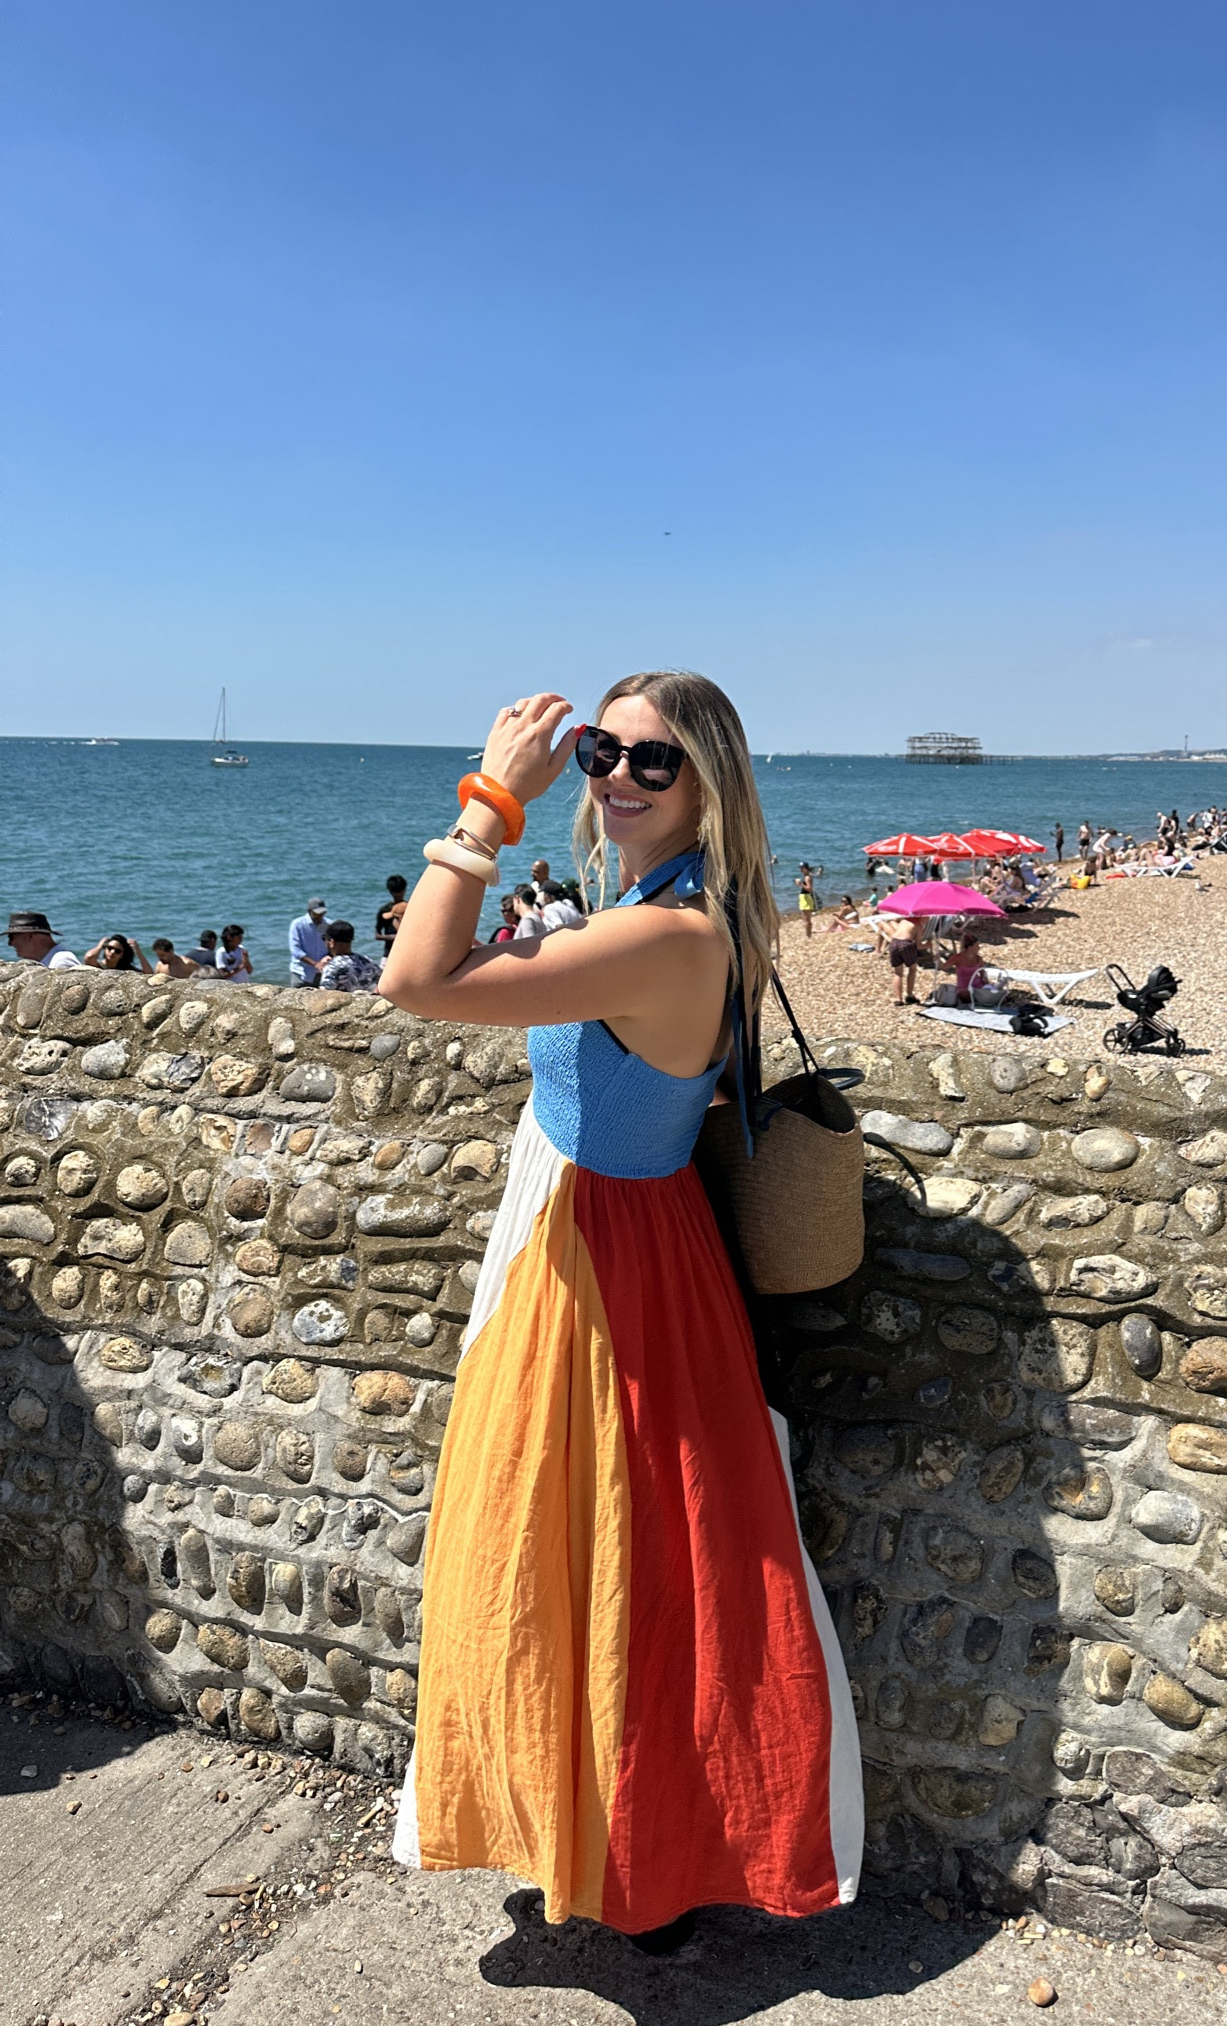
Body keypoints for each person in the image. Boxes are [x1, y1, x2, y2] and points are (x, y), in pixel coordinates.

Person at [378, 673, 861, 1947]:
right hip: (616, 1240)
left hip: (607, 1263)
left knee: (608, 1564)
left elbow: (416, 977)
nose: (619, 776)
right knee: (604, 1561)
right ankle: (601, 1839)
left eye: (656, 761)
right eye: (603, 750)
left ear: (709, 785)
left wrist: (490, 799)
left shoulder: (670, 933)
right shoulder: (660, 911)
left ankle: (638, 1860)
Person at [317, 921, 381, 992]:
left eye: (324, 939)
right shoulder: (367, 961)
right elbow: (383, 979)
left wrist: (325, 970)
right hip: (367, 1001)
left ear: (331, 942)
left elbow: (323, 994)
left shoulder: (332, 966)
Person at [6, 911, 81, 970]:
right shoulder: (52, 960)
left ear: (30, 936)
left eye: (11, 937)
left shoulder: (62, 962)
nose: (10, 943)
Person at [885, 908, 924, 1005]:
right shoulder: (918, 925)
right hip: (906, 944)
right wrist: (930, 944)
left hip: (894, 943)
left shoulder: (904, 920)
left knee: (898, 973)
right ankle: (909, 995)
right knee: (912, 968)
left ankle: (899, 999)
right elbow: (919, 945)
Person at [289, 897, 328, 985]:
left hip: (322, 973)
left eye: (323, 913)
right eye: (317, 913)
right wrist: (315, 964)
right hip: (301, 972)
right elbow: (295, 950)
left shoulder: (328, 924)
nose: (320, 916)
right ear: (310, 911)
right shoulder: (297, 924)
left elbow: (333, 946)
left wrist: (325, 961)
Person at [943, 930, 987, 1006]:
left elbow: (983, 973)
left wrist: (986, 982)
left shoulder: (978, 958)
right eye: (977, 946)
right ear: (970, 947)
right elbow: (944, 967)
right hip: (964, 987)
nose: (979, 948)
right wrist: (937, 959)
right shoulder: (957, 958)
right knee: (967, 996)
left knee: (991, 993)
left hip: (978, 985)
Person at [375, 876, 409, 956]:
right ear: (390, 891)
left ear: (404, 890)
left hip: (408, 951)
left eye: (401, 891)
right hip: (389, 952)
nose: (399, 894)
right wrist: (395, 937)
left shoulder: (410, 907)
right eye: (395, 891)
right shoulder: (384, 910)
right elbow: (377, 935)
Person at [85, 935, 152, 972]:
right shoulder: (99, 966)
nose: (112, 952)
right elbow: (89, 957)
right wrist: (100, 946)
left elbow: (149, 973)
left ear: (122, 955)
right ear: (105, 949)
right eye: (110, 948)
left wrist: (138, 952)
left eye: (118, 951)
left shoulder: (125, 969)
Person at [795, 861, 818, 937]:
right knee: (807, 918)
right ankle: (809, 934)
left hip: (806, 898)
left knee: (806, 919)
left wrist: (801, 884)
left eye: (802, 868)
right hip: (805, 898)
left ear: (806, 868)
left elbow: (809, 888)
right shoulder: (807, 876)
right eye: (800, 868)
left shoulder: (807, 877)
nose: (801, 870)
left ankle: (808, 935)